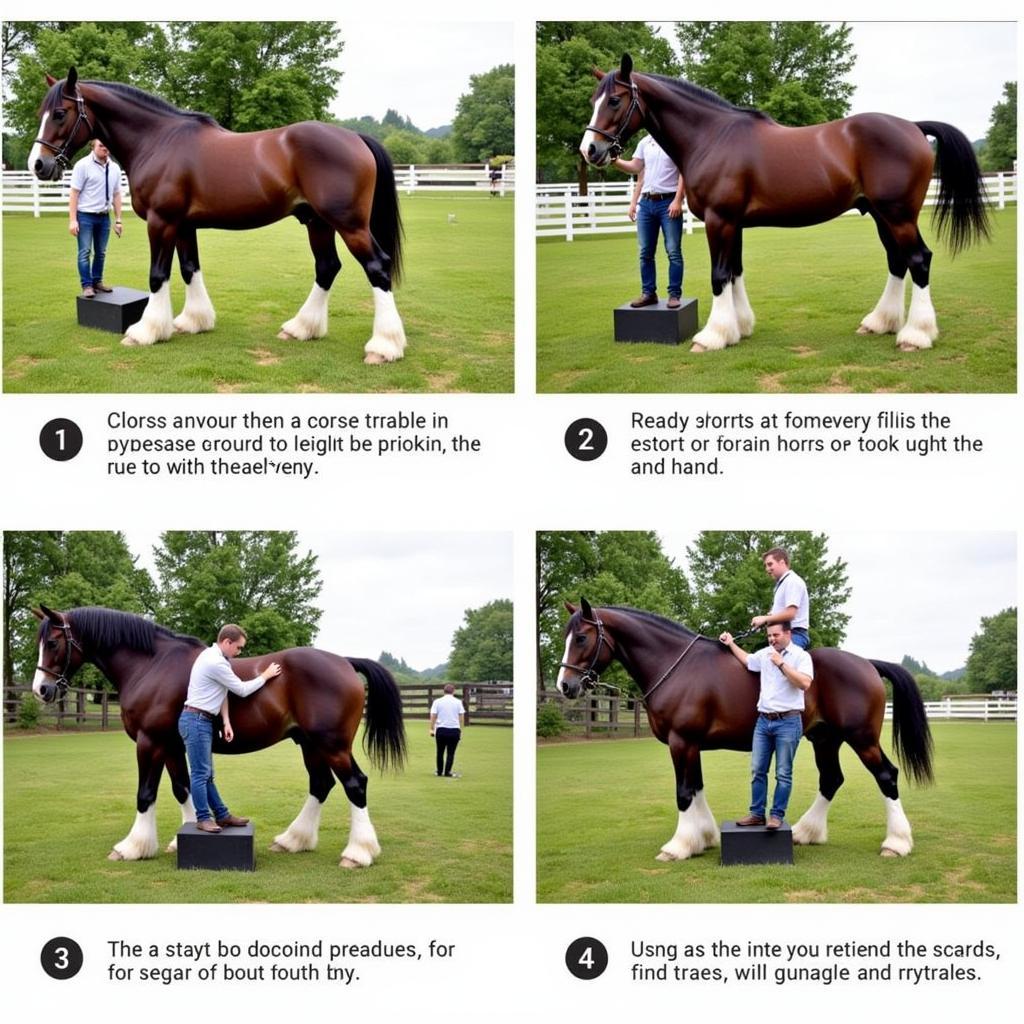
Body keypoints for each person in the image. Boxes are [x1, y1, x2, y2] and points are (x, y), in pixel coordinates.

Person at [178, 624, 282, 833]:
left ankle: (222, 815)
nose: (239, 652)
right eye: (238, 647)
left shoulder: (212, 656)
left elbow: (221, 691)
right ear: (227, 642)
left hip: (201, 719)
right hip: (196, 720)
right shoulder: (215, 662)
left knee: (207, 774)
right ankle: (203, 818)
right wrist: (266, 675)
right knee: (200, 774)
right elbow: (242, 690)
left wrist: (226, 721)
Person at [719, 623, 813, 829]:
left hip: (788, 722)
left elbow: (805, 683)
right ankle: (757, 814)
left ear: (788, 633)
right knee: (757, 770)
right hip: (763, 722)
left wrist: (781, 664)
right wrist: (731, 644)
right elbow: (748, 660)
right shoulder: (765, 654)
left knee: (783, 773)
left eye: (776, 635)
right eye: (769, 635)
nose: (772, 639)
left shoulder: (801, 656)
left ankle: (777, 815)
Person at [612, 135, 685, 309]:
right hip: (645, 204)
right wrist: (613, 160)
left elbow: (684, 172)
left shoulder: (673, 139)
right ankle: (648, 293)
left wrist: (678, 200)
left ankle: (674, 294)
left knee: (673, 251)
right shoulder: (645, 142)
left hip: (668, 203)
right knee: (645, 252)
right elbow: (637, 169)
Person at [68, 139, 124, 298]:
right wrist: (73, 220)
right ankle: (86, 285)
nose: (105, 147)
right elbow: (74, 193)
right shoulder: (82, 165)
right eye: (101, 145)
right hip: (85, 216)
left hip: (104, 217)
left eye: (107, 144)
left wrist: (118, 219)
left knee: (101, 253)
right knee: (84, 252)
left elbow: (117, 194)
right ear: (93, 146)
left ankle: (97, 282)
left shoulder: (114, 168)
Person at [751, 547, 811, 649]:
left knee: (776, 663)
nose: (767, 569)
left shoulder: (792, 581)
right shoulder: (783, 584)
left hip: (794, 635)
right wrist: (771, 617)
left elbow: (791, 614)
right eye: (765, 566)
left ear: (782, 562)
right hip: (781, 635)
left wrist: (765, 618)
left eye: (770, 564)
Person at [429, 683, 465, 778]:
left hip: (441, 730)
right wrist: (461, 730)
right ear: (453, 691)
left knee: (440, 752)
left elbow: (433, 716)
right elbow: (461, 717)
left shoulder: (437, 701)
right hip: (454, 730)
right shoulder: (458, 702)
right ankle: (447, 772)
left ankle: (439, 771)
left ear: (443, 691)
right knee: (451, 752)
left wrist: (431, 729)